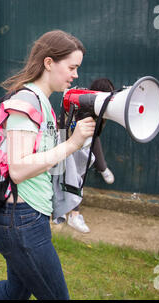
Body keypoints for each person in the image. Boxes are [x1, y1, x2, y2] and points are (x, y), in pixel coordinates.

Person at [0, 30, 95, 300]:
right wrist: (71, 144)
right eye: (71, 67)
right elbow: (19, 168)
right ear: (49, 63)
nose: (75, 75)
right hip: (21, 221)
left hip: (25, 217)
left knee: (15, 292)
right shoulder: (27, 102)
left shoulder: (42, 102)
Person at [65, 78, 115, 233]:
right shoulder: (82, 108)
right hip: (70, 144)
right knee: (76, 177)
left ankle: (102, 168)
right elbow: (69, 127)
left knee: (78, 176)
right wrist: (75, 129)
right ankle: (74, 215)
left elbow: (95, 136)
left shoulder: (99, 113)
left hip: (83, 143)